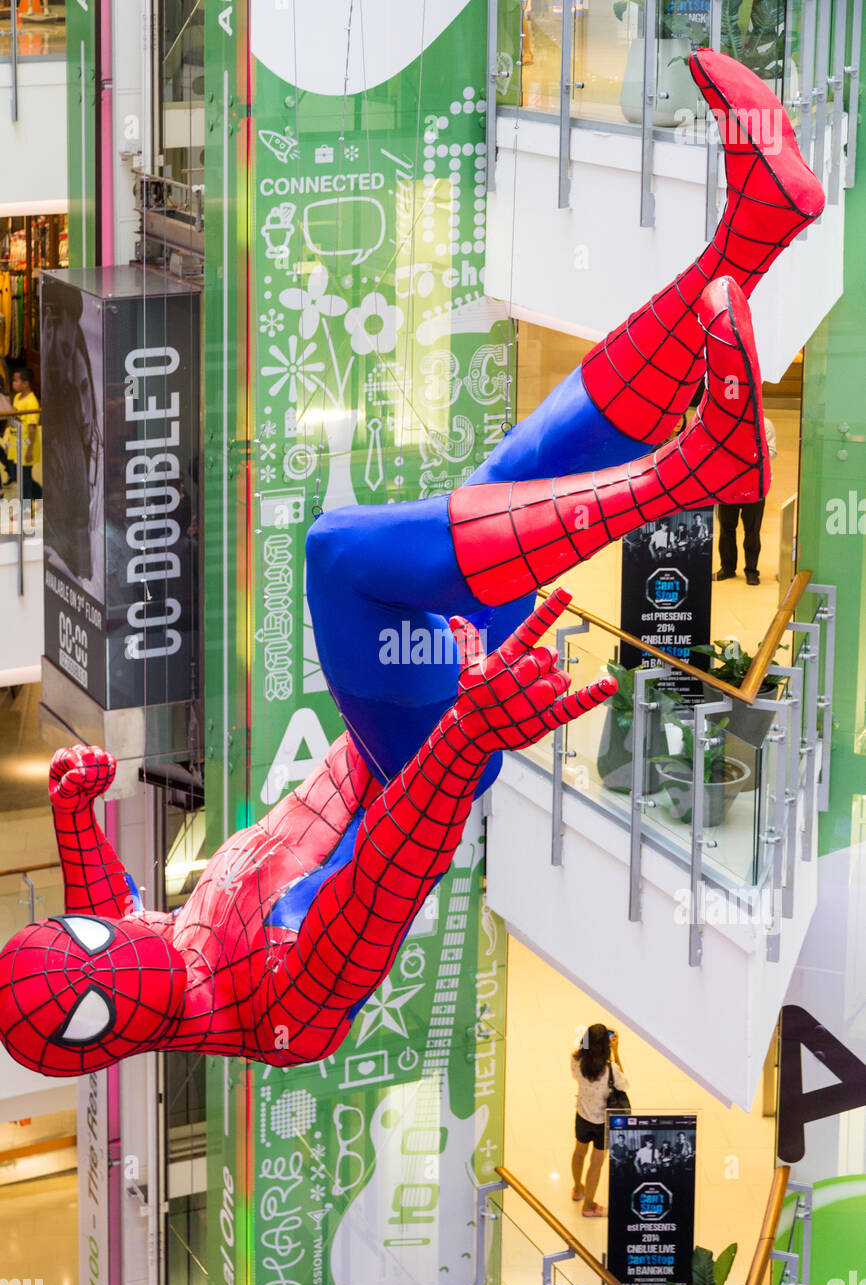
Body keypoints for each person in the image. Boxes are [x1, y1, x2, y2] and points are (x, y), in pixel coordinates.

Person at [0, 50, 824, 1080]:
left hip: (403, 722)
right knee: (342, 562)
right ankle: (692, 474)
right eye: (98, 960)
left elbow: (108, 930)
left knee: (536, 470)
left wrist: (78, 816)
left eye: (90, 936)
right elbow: (387, 878)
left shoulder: (144, 965)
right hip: (414, 758)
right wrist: (471, 728)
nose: (110, 928)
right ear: (115, 1033)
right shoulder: (273, 1002)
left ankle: (756, 224)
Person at [570, 1024, 629, 1217]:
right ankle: (589, 1206)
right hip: (604, 1121)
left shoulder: (575, 1060)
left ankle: (578, 1188)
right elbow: (624, 1084)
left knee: (579, 1152)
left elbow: (576, 1071)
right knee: (596, 1163)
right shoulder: (610, 1069)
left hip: (583, 1116)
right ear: (606, 1045)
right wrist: (616, 1052)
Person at [716, 416, 777, 585]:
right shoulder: (729, 422)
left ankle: (751, 571)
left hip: (754, 485)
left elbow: (771, 453)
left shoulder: (765, 424)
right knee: (726, 528)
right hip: (730, 484)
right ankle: (727, 568)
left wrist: (750, 451)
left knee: (752, 530)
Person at [3, 365, 42, 501]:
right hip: (16, 443)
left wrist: (30, 449)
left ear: (25, 384)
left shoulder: (31, 402)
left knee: (24, 478)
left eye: (16, 380)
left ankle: (26, 509)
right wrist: (8, 443)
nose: (13, 383)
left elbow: (32, 428)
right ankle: (40, 493)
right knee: (17, 475)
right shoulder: (17, 397)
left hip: (26, 446)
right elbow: (13, 422)